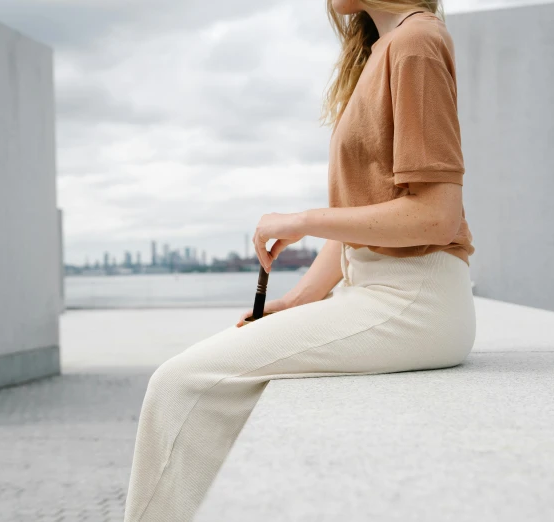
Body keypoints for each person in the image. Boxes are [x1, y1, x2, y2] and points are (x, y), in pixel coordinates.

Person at [124, 1, 475, 520]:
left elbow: (437, 216)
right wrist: (295, 300)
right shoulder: (383, 49)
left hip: (413, 299)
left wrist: (305, 220)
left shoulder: (417, 42)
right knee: (201, 378)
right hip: (381, 293)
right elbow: (363, 220)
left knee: (180, 383)